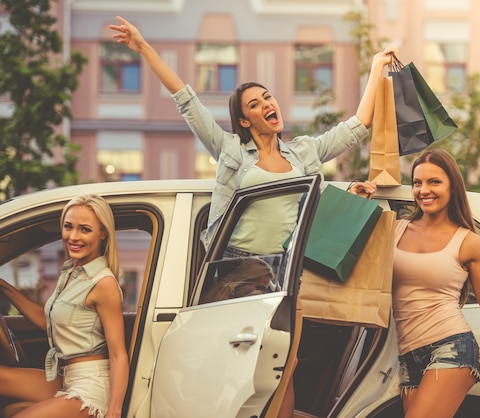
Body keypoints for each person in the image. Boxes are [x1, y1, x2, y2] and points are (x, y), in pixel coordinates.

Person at [109, 15, 392, 417]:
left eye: (268, 97)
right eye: (254, 104)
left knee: (284, 368)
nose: (266, 105)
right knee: (241, 371)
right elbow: (186, 99)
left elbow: (357, 126)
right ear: (244, 120)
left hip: (282, 274)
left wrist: (377, 66)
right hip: (233, 273)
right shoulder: (231, 152)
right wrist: (143, 47)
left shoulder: (304, 152)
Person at [361, 149, 480, 418]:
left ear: (452, 187)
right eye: (418, 182)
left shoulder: (468, 242)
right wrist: (355, 201)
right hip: (408, 355)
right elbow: (354, 264)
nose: (424, 190)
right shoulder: (394, 229)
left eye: (434, 182)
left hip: (452, 347)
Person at [0, 194, 129, 418]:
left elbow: (118, 354)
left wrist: (114, 412)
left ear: (103, 234)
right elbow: (47, 322)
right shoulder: (71, 272)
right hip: (66, 375)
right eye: (68, 227)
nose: (73, 236)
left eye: (85, 229)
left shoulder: (103, 283)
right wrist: (4, 287)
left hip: (90, 388)